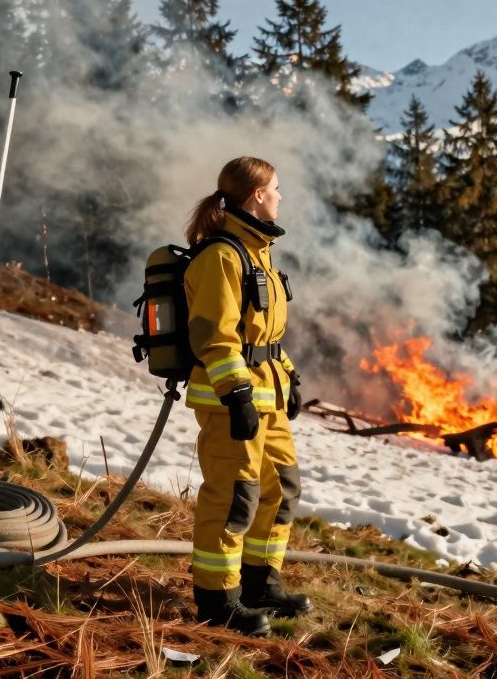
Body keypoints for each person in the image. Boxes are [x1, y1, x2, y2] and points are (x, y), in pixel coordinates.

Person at [183, 156, 309, 636]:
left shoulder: (258, 252)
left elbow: (264, 333)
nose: (280, 196)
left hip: (267, 397)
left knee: (281, 487)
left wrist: (289, 376)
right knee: (235, 494)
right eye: (276, 188)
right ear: (257, 194)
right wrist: (235, 394)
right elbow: (215, 336)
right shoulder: (222, 256)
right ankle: (219, 599)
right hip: (232, 400)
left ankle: (260, 584)